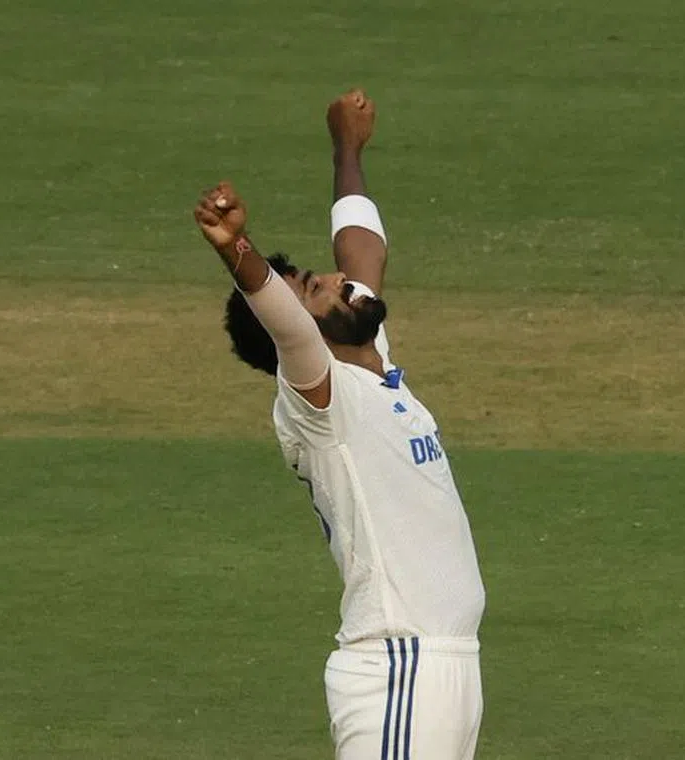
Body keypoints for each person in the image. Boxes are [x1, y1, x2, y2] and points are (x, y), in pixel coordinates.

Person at [192, 89, 485, 760]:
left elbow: (363, 249)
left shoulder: (369, 364)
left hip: (441, 668)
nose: (338, 282)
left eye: (323, 278)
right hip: (398, 667)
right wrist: (238, 250)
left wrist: (347, 148)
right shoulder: (320, 404)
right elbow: (290, 326)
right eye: (317, 290)